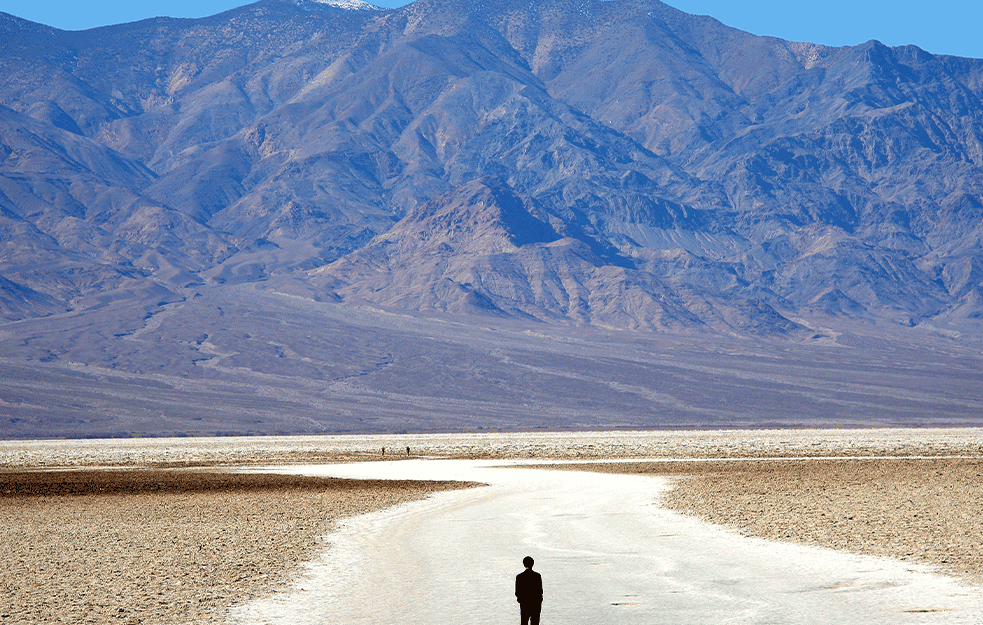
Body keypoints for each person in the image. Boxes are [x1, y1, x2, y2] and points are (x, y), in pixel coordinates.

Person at [515, 556, 543, 625]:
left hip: (524, 604)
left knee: (524, 622)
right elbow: (540, 591)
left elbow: (517, 592)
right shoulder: (537, 576)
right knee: (535, 622)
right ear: (533, 564)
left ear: (524, 564)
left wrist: (520, 600)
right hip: (535, 604)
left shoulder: (519, 577)